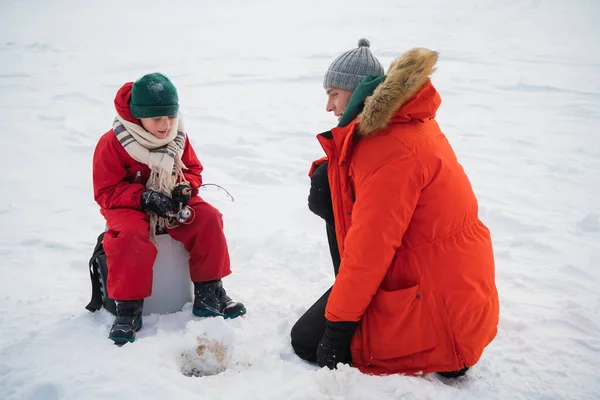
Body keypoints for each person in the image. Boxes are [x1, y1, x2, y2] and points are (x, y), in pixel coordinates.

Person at [290, 39, 499, 377]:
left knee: (305, 342)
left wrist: (338, 330)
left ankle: (355, 308)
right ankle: (353, 298)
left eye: (334, 94)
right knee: (326, 185)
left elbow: (370, 250)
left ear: (356, 92)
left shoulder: (388, 148)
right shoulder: (405, 121)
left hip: (441, 317)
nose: (328, 106)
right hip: (453, 290)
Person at [92, 72, 246, 345]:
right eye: (157, 119)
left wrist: (185, 189)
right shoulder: (112, 142)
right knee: (130, 234)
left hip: (170, 200)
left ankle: (210, 292)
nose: (165, 126)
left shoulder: (178, 137)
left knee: (208, 218)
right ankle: (128, 308)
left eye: (171, 117)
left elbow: (193, 169)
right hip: (128, 205)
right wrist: (144, 198)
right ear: (138, 117)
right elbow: (105, 191)